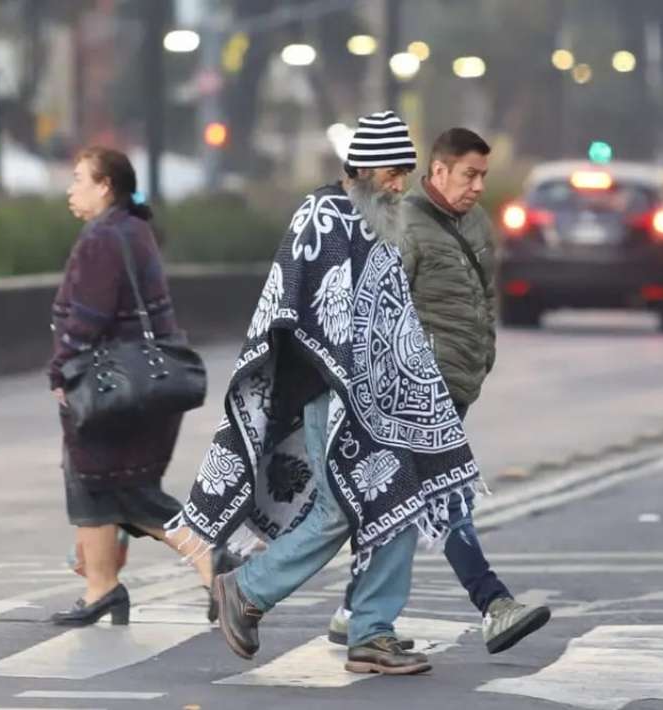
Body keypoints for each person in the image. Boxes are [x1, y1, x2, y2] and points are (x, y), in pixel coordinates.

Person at [173, 111, 483, 675]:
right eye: (394, 172)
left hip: (382, 401)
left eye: (406, 173)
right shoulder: (321, 214)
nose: (401, 184)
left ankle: (372, 632)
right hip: (328, 391)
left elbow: (391, 316)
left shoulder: (382, 219)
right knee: (341, 508)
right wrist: (345, 374)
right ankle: (245, 589)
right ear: (364, 166)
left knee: (398, 502)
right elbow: (296, 307)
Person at [328, 128, 550, 654]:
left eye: (483, 176)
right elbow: (380, 306)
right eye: (468, 175)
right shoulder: (404, 223)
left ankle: (349, 609)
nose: (477, 186)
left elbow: (484, 293)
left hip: (460, 379)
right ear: (439, 171)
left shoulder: (474, 221)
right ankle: (494, 605)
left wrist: (486, 351)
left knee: (401, 500)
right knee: (445, 493)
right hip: (419, 387)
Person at [47, 146, 217, 626]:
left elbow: (90, 316)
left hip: (110, 383)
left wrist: (60, 369)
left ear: (105, 186)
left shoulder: (103, 238)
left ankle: (211, 558)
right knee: (98, 485)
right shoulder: (133, 228)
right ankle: (102, 588)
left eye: (79, 178)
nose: (70, 188)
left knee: (122, 490)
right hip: (140, 381)